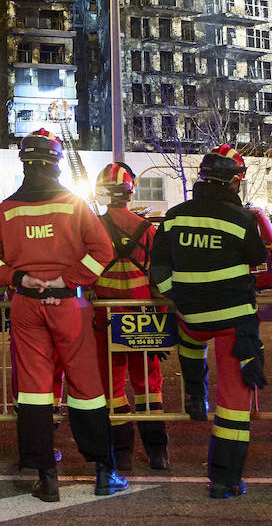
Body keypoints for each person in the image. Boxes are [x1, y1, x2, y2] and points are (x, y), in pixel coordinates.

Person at [0, 129, 126, 502]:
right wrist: (68, 278)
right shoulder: (73, 204)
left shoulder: (8, 208)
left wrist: (18, 278)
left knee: (34, 390)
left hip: (26, 305)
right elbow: (102, 251)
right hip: (70, 304)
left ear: (24, 162)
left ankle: (46, 476)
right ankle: (105, 472)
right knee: (87, 388)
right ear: (57, 163)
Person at [150, 144, 268, 500]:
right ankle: (225, 480)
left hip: (191, 317)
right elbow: (261, 264)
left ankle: (194, 392)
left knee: (190, 341)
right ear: (234, 182)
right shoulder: (244, 219)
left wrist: (178, 296)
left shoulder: (174, 216)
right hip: (234, 321)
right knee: (234, 403)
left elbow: (158, 268)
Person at [91, 163, 169, 472]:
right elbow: (159, 283)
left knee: (113, 387)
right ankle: (158, 453)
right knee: (148, 384)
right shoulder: (149, 231)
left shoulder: (92, 229)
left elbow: (85, 275)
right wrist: (161, 322)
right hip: (143, 320)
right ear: (129, 193)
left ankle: (121, 453)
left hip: (105, 319)